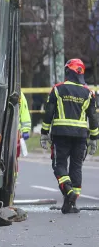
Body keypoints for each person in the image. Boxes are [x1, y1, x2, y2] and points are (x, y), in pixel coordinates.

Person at [40, 58, 99, 214]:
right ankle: (71, 204)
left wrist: (44, 133)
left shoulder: (58, 89)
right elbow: (93, 117)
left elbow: (49, 112)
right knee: (76, 168)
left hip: (61, 135)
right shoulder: (88, 93)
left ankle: (68, 191)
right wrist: (94, 138)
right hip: (80, 136)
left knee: (59, 165)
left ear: (68, 71)